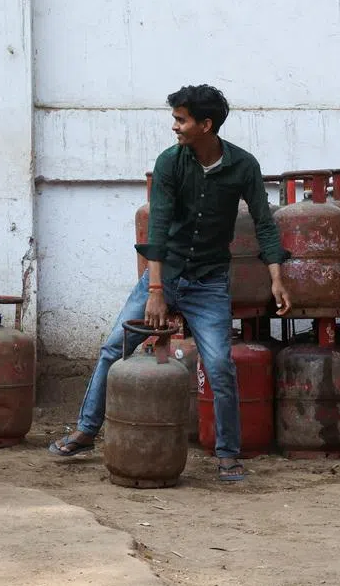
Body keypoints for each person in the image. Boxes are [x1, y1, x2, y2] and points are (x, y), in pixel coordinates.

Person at [50, 84, 292, 482]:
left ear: (206, 125)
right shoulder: (169, 163)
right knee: (114, 347)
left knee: (219, 365)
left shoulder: (243, 166)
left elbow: (265, 223)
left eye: (181, 120)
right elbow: (158, 226)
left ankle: (228, 454)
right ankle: (87, 430)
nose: (175, 127)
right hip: (166, 275)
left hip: (210, 282)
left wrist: (276, 278)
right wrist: (157, 291)